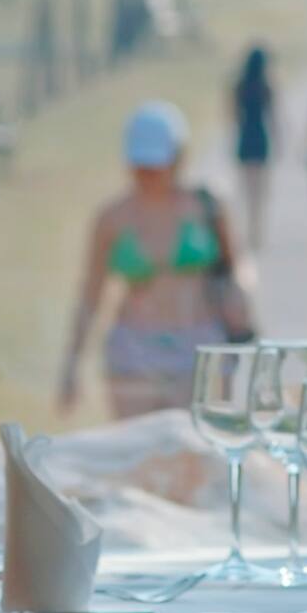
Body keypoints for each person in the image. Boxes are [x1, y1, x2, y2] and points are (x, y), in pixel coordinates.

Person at [60, 102, 248, 419]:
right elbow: (91, 293)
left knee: (199, 456)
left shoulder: (207, 206)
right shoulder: (112, 218)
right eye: (140, 164)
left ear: (177, 157)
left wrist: (240, 314)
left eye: (155, 164)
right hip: (133, 354)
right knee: (136, 455)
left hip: (199, 346)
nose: (147, 174)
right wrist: (72, 363)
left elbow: (236, 268)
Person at [230, 45, 279, 251]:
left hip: (245, 137)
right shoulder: (267, 86)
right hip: (260, 138)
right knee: (260, 191)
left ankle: (246, 230)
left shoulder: (239, 86)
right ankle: (256, 230)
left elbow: (231, 115)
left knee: (246, 188)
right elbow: (273, 118)